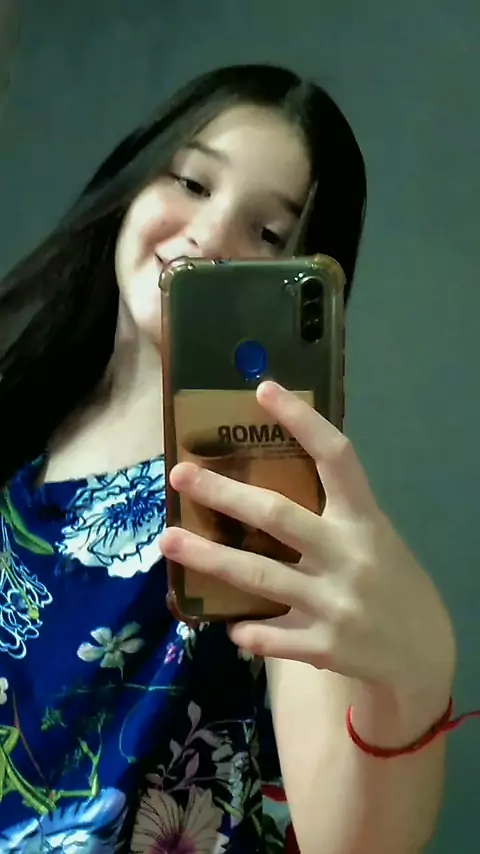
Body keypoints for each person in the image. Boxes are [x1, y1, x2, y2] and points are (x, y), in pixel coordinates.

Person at [0, 64, 456, 853]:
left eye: (269, 234)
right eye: (192, 181)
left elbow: (353, 843)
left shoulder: (272, 500)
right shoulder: (23, 417)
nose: (211, 237)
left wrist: (414, 680)